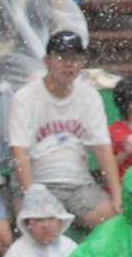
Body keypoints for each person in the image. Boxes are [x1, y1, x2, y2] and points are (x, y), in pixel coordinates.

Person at [8, 30, 120, 230]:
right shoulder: (25, 98)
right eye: (62, 57)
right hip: (39, 183)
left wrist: (117, 194)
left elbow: (102, 148)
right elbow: (20, 154)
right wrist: (33, 197)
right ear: (47, 61)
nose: (69, 63)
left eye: (75, 57)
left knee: (115, 221)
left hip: (79, 186)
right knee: (41, 226)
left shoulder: (90, 96)